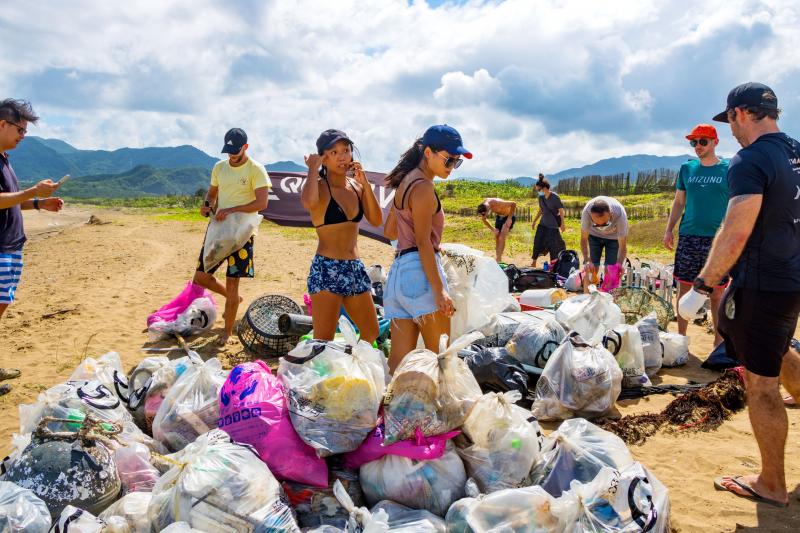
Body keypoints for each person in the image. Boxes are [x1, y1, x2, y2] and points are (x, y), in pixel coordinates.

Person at [678, 82, 800, 507]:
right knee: (778, 347)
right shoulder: (795, 152)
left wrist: (703, 285)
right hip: (792, 277)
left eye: (728, 119)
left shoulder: (749, 160)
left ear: (740, 114)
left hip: (764, 282)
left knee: (760, 383)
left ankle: (771, 483)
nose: (730, 129)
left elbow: (736, 229)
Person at [383, 124, 471, 372]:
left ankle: (390, 406)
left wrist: (421, 241)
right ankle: (440, 410)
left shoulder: (405, 183)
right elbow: (422, 241)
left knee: (397, 363)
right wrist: (439, 289)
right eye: (449, 159)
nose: (452, 166)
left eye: (457, 161)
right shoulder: (423, 186)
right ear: (428, 152)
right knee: (441, 359)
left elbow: (390, 231)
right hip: (421, 273)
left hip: (399, 273)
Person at [0, 99, 63, 395]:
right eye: (20, 130)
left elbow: (10, 200)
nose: (23, 136)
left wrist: (39, 203)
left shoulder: (4, 160)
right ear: (2, 124)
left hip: (11, 248)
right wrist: (33, 191)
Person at [301, 129, 382, 342]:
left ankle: (350, 367)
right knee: (323, 339)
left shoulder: (356, 186)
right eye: (334, 152)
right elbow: (308, 203)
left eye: (346, 150)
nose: (342, 156)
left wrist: (365, 183)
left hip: (354, 267)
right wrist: (312, 169)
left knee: (371, 332)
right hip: (327, 268)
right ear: (323, 157)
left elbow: (376, 219)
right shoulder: (318, 186)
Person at [193, 128, 271, 345]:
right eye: (228, 151)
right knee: (201, 276)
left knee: (233, 281)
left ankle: (227, 332)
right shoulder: (219, 167)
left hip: (242, 234)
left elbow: (262, 203)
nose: (231, 155)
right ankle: (233, 299)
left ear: (245, 147)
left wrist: (234, 209)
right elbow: (212, 193)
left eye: (235, 151)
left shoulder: (256, 170)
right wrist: (207, 205)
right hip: (219, 231)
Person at [663, 124, 729, 346]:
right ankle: (681, 338)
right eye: (694, 142)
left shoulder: (729, 169)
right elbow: (679, 201)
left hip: (718, 239)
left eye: (703, 141)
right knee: (684, 287)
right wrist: (669, 229)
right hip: (689, 235)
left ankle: (718, 344)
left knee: (717, 293)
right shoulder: (687, 168)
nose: (697, 146)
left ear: (715, 142)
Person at [579, 196, 628, 292]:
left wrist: (619, 263)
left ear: (611, 214)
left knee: (611, 269)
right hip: (594, 236)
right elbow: (584, 239)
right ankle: (587, 297)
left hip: (613, 238)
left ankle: (607, 299)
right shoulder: (586, 213)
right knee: (591, 268)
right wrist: (587, 260)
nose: (600, 227)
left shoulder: (620, 215)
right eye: (596, 224)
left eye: (604, 223)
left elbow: (622, 247)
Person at [530, 176, 566, 267]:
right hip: (542, 224)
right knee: (537, 242)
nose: (538, 190)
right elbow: (541, 210)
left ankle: (553, 265)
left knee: (554, 246)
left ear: (544, 187)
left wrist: (562, 223)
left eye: (538, 188)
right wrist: (534, 221)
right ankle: (534, 262)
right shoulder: (541, 198)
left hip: (552, 226)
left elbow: (561, 210)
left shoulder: (555, 197)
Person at [477, 197, 516, 262]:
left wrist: (509, 219)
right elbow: (484, 219)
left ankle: (498, 259)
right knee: (497, 236)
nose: (484, 215)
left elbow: (513, 204)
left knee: (501, 237)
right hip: (499, 217)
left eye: (484, 214)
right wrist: (493, 229)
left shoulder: (497, 202)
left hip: (509, 216)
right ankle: (498, 258)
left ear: (487, 208)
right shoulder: (484, 206)